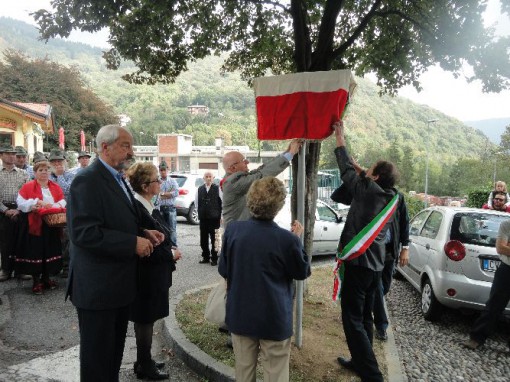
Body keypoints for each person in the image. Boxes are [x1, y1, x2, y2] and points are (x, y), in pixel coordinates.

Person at [66, 124, 163, 382]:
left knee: (112, 358)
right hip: (97, 289)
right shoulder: (87, 180)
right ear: (105, 147)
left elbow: (115, 219)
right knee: (97, 361)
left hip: (117, 286)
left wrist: (143, 232)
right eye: (125, 145)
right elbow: (84, 233)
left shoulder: (116, 177)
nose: (131, 152)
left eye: (131, 145)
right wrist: (132, 243)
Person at [218, 177, 310, 382]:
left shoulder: (233, 231)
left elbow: (224, 269)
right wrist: (296, 240)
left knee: (243, 372)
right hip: (274, 317)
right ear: (278, 206)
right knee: (275, 374)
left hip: (240, 314)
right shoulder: (287, 240)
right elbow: (302, 271)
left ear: (250, 199)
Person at [332, 120, 399, 382]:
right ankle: (360, 361)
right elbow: (360, 175)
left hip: (359, 266)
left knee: (352, 319)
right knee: (365, 317)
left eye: (370, 170)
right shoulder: (390, 194)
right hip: (376, 266)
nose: (365, 172)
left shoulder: (367, 190)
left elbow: (346, 169)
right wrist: (365, 171)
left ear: (376, 176)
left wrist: (340, 137)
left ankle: (372, 375)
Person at [126, 162, 182, 380]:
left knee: (147, 319)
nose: (160, 182)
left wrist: (171, 248)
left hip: (154, 276)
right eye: (156, 180)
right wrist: (170, 255)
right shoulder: (138, 209)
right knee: (145, 319)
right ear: (144, 185)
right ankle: (144, 365)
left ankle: (143, 360)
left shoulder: (147, 206)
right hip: (145, 276)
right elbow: (145, 249)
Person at [221, 139, 302, 228]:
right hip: (239, 235)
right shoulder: (233, 183)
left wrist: (287, 152)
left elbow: (260, 169)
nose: (247, 162)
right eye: (243, 160)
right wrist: (290, 154)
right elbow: (262, 174)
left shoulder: (236, 178)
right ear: (233, 168)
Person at [15, 155, 65, 294]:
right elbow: (20, 203)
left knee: (50, 250)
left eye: (47, 170)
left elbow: (62, 201)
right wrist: (35, 203)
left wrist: (53, 207)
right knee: (36, 251)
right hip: (34, 225)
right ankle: (37, 281)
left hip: (51, 224)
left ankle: (47, 278)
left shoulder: (55, 186)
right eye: (41, 170)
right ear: (35, 172)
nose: (44, 172)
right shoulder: (28, 186)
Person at [463, 219, 510, 350]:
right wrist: (505, 247)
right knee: (494, 305)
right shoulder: (507, 225)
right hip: (507, 270)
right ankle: (477, 338)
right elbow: (501, 248)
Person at [372, 192, 409, 341]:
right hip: (373, 252)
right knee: (377, 287)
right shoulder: (372, 194)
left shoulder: (397, 198)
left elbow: (404, 223)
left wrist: (405, 248)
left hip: (390, 251)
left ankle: (369, 305)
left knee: (384, 287)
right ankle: (381, 326)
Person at [0, 144, 29, 281]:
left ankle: (20, 270)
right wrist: (5, 210)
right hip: (3, 210)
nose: (11, 156)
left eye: (13, 154)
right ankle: (6, 269)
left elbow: (28, 194)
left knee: (21, 240)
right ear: (1, 156)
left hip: (20, 209)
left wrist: (19, 209)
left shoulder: (23, 174)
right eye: (7, 153)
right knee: (5, 241)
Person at [195, 171, 222, 266]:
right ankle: (205, 256)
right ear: (203, 178)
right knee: (203, 239)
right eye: (206, 176)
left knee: (215, 238)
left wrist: (221, 215)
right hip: (203, 218)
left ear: (213, 178)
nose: (208, 178)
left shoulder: (217, 188)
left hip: (215, 218)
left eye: (210, 176)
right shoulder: (200, 189)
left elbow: (221, 202)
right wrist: (200, 213)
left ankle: (214, 258)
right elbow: (197, 203)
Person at [157, 161, 179, 245]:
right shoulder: (157, 181)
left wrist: (162, 194)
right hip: (160, 208)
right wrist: (169, 194)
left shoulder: (173, 181)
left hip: (170, 208)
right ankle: (165, 247)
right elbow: (157, 195)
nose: (163, 172)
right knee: (162, 229)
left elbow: (176, 193)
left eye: (164, 170)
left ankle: (173, 247)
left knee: (172, 229)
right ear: (159, 171)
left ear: (167, 170)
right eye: (161, 170)